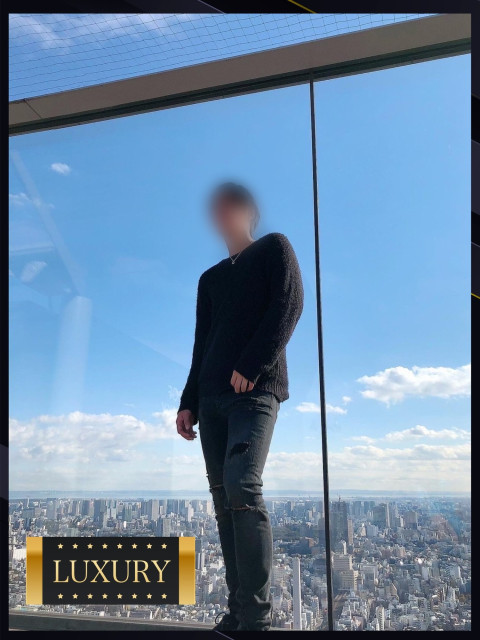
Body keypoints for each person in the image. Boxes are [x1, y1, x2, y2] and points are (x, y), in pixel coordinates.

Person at [176, 182, 304, 631]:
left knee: (243, 487)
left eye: (229, 205)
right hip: (211, 399)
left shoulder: (274, 247)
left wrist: (251, 364)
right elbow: (201, 345)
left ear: (249, 210)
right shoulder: (209, 279)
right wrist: (188, 401)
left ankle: (258, 620)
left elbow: (289, 306)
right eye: (217, 207)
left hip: (256, 391)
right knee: (223, 499)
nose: (221, 212)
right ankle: (238, 613)